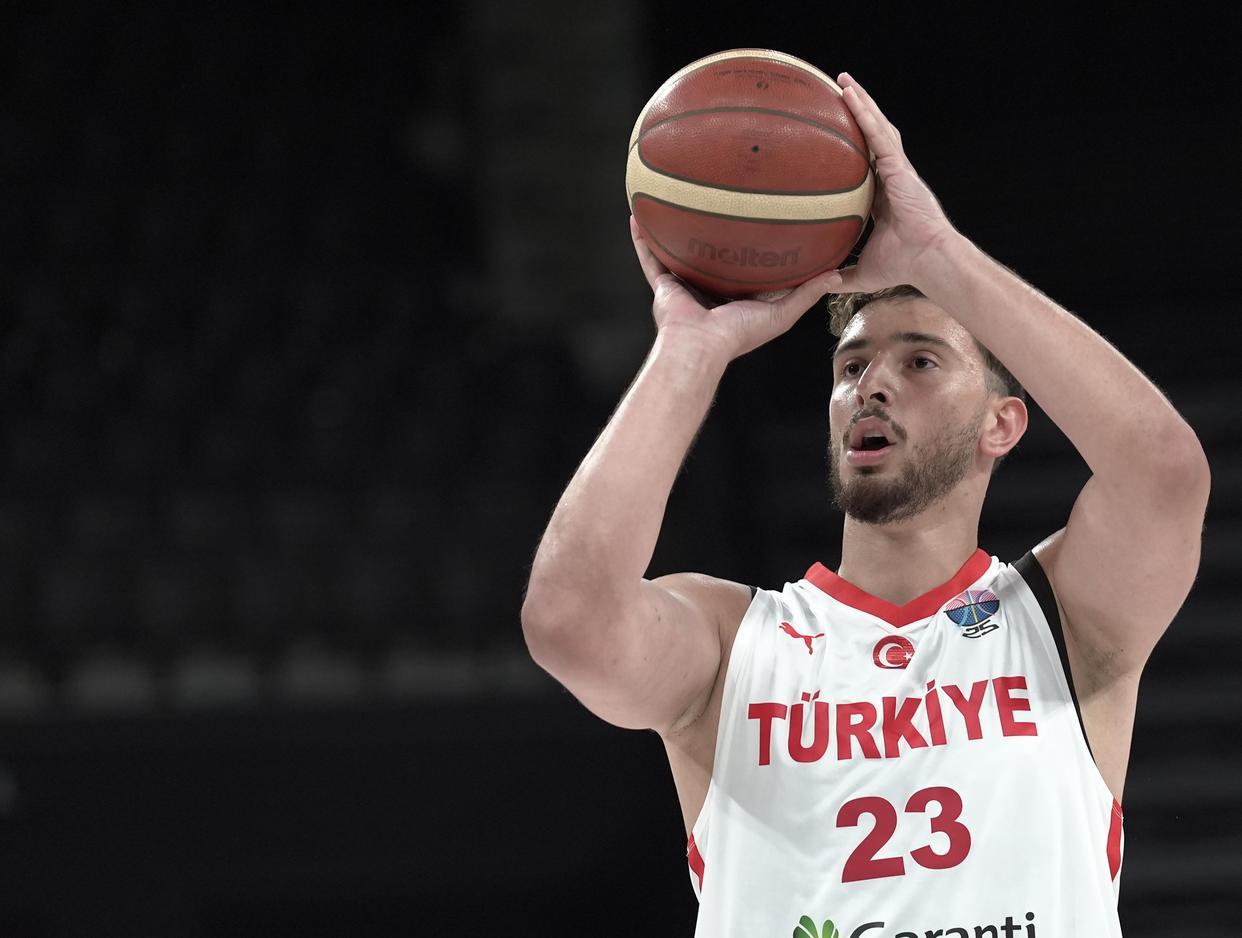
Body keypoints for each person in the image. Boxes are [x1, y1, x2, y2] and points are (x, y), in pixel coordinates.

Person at [520, 71, 1209, 937]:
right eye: (851, 367)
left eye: (920, 361)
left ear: (1002, 424)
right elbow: (568, 621)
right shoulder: (733, 648)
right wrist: (689, 353)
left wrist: (935, 255)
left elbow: (1163, 474)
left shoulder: (1066, 622)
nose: (871, 384)